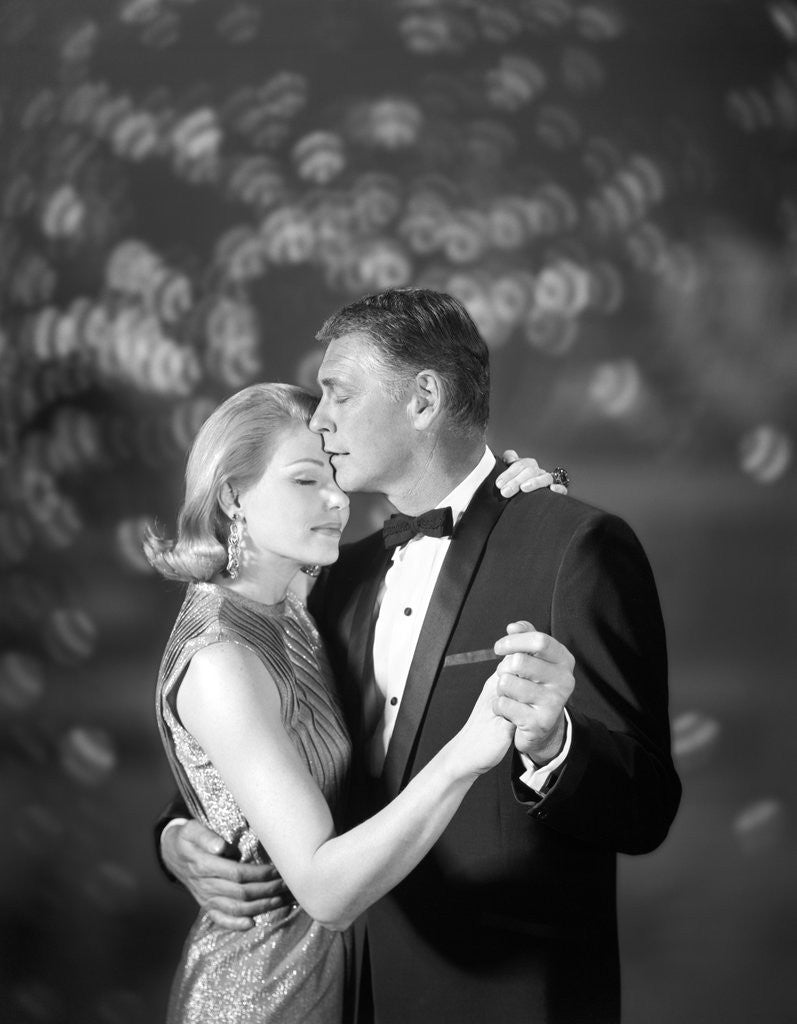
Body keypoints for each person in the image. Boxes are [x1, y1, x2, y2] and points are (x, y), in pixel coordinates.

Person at [160, 289, 681, 1023]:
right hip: (346, 994)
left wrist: (553, 746)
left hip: (510, 998)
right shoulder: (332, 576)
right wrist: (179, 837)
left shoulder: (570, 547)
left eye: (338, 392)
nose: (319, 418)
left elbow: (646, 807)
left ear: (423, 398)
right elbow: (262, 747)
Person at [147, 381, 555, 1024]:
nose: (337, 499)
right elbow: (325, 891)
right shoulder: (222, 658)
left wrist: (515, 500)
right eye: (305, 480)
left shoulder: (297, 601)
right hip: (261, 995)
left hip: (351, 984)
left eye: (336, 473)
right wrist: (463, 757)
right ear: (231, 494)